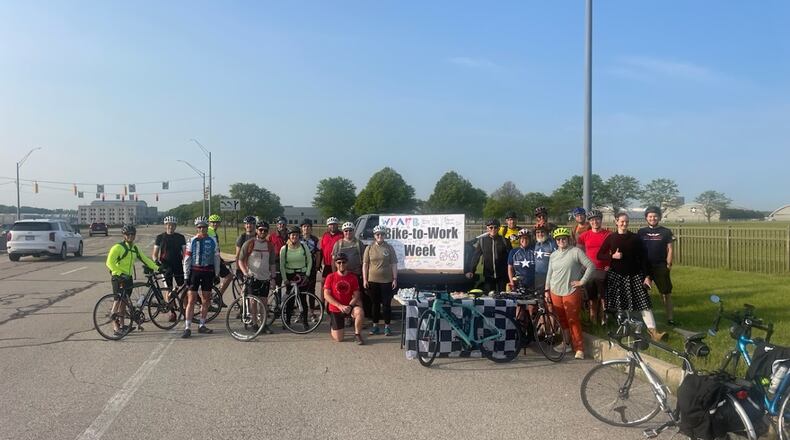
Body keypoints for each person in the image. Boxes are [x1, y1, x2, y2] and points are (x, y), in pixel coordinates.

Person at [597, 212, 667, 342]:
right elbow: (599, 255)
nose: (624, 224)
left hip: (635, 275)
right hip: (616, 276)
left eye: (627, 222)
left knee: (644, 304)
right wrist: (612, 256)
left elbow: (643, 258)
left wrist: (647, 276)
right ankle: (628, 330)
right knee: (621, 305)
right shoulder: (611, 238)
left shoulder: (635, 238)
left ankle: (653, 332)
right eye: (622, 221)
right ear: (616, 222)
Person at [545, 227, 596, 360]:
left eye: (564, 238)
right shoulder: (553, 255)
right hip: (555, 291)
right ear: (556, 241)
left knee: (573, 320)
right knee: (562, 319)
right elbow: (549, 273)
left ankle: (579, 348)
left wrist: (582, 281)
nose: (561, 241)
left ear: (568, 239)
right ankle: (566, 343)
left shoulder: (576, 252)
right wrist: (547, 289)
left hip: (571, 291)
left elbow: (591, 266)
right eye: (558, 239)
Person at [106, 224, 160, 335]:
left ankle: (122, 325)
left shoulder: (135, 248)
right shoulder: (117, 248)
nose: (130, 236)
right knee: (118, 300)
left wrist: (158, 268)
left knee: (124, 302)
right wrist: (120, 273)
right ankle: (116, 328)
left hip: (128, 278)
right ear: (124, 235)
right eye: (128, 234)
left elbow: (145, 260)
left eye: (132, 234)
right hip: (118, 278)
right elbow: (109, 263)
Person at [182, 216, 221, 338]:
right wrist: (186, 276)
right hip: (195, 272)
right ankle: (187, 327)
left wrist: (217, 273)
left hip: (208, 272)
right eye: (199, 227)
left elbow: (216, 258)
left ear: (207, 228)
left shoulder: (213, 240)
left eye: (204, 227)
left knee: (206, 299)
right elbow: (187, 259)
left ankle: (202, 325)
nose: (202, 229)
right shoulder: (192, 240)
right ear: (197, 228)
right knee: (191, 300)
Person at [638, 206, 677, 326]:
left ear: (659, 217)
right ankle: (646, 319)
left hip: (660, 266)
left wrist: (668, 265)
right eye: (650, 216)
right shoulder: (641, 232)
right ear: (646, 218)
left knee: (665, 293)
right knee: (643, 293)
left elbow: (670, 249)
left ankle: (670, 318)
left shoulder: (666, 232)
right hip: (645, 267)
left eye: (655, 216)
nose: (652, 218)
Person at [237, 220, 276, 333]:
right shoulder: (249, 243)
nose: (263, 232)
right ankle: (254, 324)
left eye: (265, 230)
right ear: (257, 231)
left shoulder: (269, 245)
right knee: (253, 302)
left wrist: (273, 278)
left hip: (265, 278)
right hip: (252, 277)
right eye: (261, 230)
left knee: (263, 303)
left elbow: (272, 263)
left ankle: (263, 324)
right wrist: (245, 272)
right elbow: (240, 260)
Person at [362, 225, 398, 336]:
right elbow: (365, 264)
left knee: (386, 304)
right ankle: (375, 326)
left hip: (387, 281)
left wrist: (395, 279)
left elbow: (394, 264)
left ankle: (387, 326)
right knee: (375, 304)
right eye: (377, 234)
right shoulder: (369, 248)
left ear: (384, 235)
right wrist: (365, 279)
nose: (380, 236)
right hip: (372, 280)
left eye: (382, 234)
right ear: (374, 236)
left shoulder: (389, 248)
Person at [576, 209, 610, 326]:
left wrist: (610, 264)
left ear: (601, 220)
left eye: (597, 219)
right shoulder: (584, 236)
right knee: (592, 297)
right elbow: (578, 253)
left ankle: (604, 318)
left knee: (603, 297)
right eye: (592, 220)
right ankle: (593, 319)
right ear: (589, 222)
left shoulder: (608, 234)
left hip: (603, 269)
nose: (595, 222)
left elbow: (614, 250)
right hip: (589, 270)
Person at [323, 252, 365, 345]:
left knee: (359, 311)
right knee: (339, 339)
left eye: (343, 262)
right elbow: (326, 295)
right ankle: (333, 325)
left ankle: (357, 334)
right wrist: (340, 306)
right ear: (335, 264)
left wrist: (350, 306)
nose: (341, 264)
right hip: (336, 308)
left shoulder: (353, 277)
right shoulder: (330, 277)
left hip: (349, 306)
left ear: (347, 263)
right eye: (339, 262)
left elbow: (356, 294)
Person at [152, 216, 186, 322]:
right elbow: (155, 254)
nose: (171, 227)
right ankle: (172, 312)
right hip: (166, 267)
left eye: (173, 225)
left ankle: (185, 310)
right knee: (168, 289)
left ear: (175, 226)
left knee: (183, 289)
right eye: (169, 225)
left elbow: (185, 253)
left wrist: (187, 263)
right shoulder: (160, 237)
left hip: (178, 265)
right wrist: (156, 262)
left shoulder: (180, 237)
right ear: (165, 225)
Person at [280, 226, 313, 330]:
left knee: (303, 299)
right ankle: (287, 321)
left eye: (297, 235)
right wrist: (285, 279)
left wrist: (307, 274)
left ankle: (305, 322)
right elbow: (282, 265)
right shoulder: (284, 249)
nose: (294, 237)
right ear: (289, 236)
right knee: (290, 300)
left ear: (299, 236)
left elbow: (310, 261)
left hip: (302, 275)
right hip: (290, 276)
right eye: (292, 235)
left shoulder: (303, 246)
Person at [467, 218, 511, 293]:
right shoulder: (482, 241)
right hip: (488, 275)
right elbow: (476, 257)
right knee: (489, 296)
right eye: (491, 227)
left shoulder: (505, 241)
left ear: (499, 228)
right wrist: (471, 270)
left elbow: (511, 258)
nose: (493, 229)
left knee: (503, 296)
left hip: (503, 275)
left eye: (495, 227)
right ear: (487, 228)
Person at [331, 222, 366, 317]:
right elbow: (333, 260)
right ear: (343, 232)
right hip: (342, 275)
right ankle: (346, 316)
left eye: (350, 230)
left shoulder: (359, 243)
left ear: (353, 231)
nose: (348, 232)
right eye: (346, 231)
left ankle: (358, 317)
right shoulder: (338, 244)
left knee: (357, 297)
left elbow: (364, 261)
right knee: (343, 296)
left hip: (356, 274)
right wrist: (334, 274)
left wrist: (364, 276)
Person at [206, 214, 233, 304]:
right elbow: (213, 249)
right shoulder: (211, 232)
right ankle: (218, 297)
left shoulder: (211, 231)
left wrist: (221, 260)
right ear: (209, 223)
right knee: (229, 276)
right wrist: (220, 261)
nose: (215, 224)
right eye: (213, 222)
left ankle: (209, 301)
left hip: (212, 260)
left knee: (211, 283)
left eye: (217, 222)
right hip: (213, 260)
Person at [300, 219, 322, 322]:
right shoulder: (298, 238)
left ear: (311, 228)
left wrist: (317, 266)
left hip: (312, 267)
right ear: (301, 228)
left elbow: (318, 254)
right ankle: (302, 312)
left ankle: (312, 312)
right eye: (304, 226)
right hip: (300, 268)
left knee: (311, 291)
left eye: (308, 226)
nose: (306, 228)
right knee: (301, 291)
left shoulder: (315, 239)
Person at [533, 225, 558, 295]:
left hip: (549, 275)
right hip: (537, 275)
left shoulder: (552, 244)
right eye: (538, 232)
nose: (540, 234)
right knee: (538, 297)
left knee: (549, 296)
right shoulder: (536, 244)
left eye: (542, 232)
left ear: (547, 233)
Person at [269, 216, 288, 287]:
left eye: (283, 223)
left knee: (289, 285)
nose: (281, 225)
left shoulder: (290, 235)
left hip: (288, 262)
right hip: (277, 262)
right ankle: (277, 295)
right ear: (277, 225)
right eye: (279, 223)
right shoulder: (272, 237)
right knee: (278, 285)